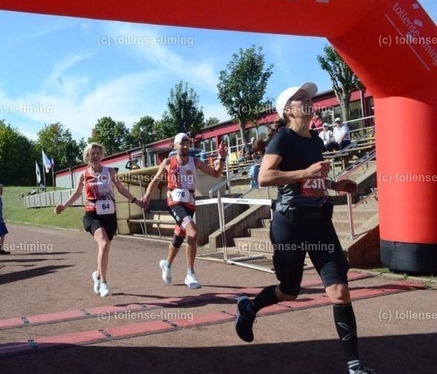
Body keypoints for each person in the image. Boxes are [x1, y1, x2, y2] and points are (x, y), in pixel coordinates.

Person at [234, 82, 374, 374]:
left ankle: (355, 366)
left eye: (308, 97)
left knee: (339, 291)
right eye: (300, 98)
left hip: (319, 222)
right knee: (289, 291)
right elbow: (264, 178)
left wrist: (334, 184)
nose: (308, 100)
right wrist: (305, 172)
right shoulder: (282, 139)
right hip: (290, 224)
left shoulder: (315, 140)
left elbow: (312, 178)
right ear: (288, 110)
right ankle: (249, 308)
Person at [54, 142, 143, 297]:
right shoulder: (84, 174)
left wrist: (136, 201)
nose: (95, 156)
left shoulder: (110, 172)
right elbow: (77, 193)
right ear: (87, 156)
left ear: (101, 155)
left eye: (97, 153)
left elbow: (121, 189)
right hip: (92, 216)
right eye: (92, 153)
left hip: (109, 215)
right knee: (103, 243)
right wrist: (64, 206)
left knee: (105, 248)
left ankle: (97, 275)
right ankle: (103, 283)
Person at [142, 133, 227, 289]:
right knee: (193, 232)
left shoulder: (195, 162)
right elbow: (155, 181)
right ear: (175, 145)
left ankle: (167, 264)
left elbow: (216, 173)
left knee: (179, 236)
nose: (186, 146)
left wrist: (222, 158)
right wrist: (146, 196)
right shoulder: (168, 162)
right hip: (174, 203)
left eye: (188, 143)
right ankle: (190, 274)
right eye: (182, 143)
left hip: (190, 204)